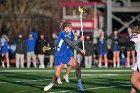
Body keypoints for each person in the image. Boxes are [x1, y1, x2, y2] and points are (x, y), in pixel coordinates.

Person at [43, 22, 86, 91]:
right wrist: (80, 40)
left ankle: (79, 83)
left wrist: (80, 50)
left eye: (71, 27)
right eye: (69, 27)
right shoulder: (62, 34)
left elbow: (73, 45)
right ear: (65, 28)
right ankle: (51, 84)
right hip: (59, 55)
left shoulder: (71, 34)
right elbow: (71, 43)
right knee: (57, 75)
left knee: (77, 66)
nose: (71, 28)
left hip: (67, 54)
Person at [116, 25, 140, 93]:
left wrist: (119, 43)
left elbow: (129, 44)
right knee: (135, 82)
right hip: (138, 61)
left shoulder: (137, 36)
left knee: (133, 81)